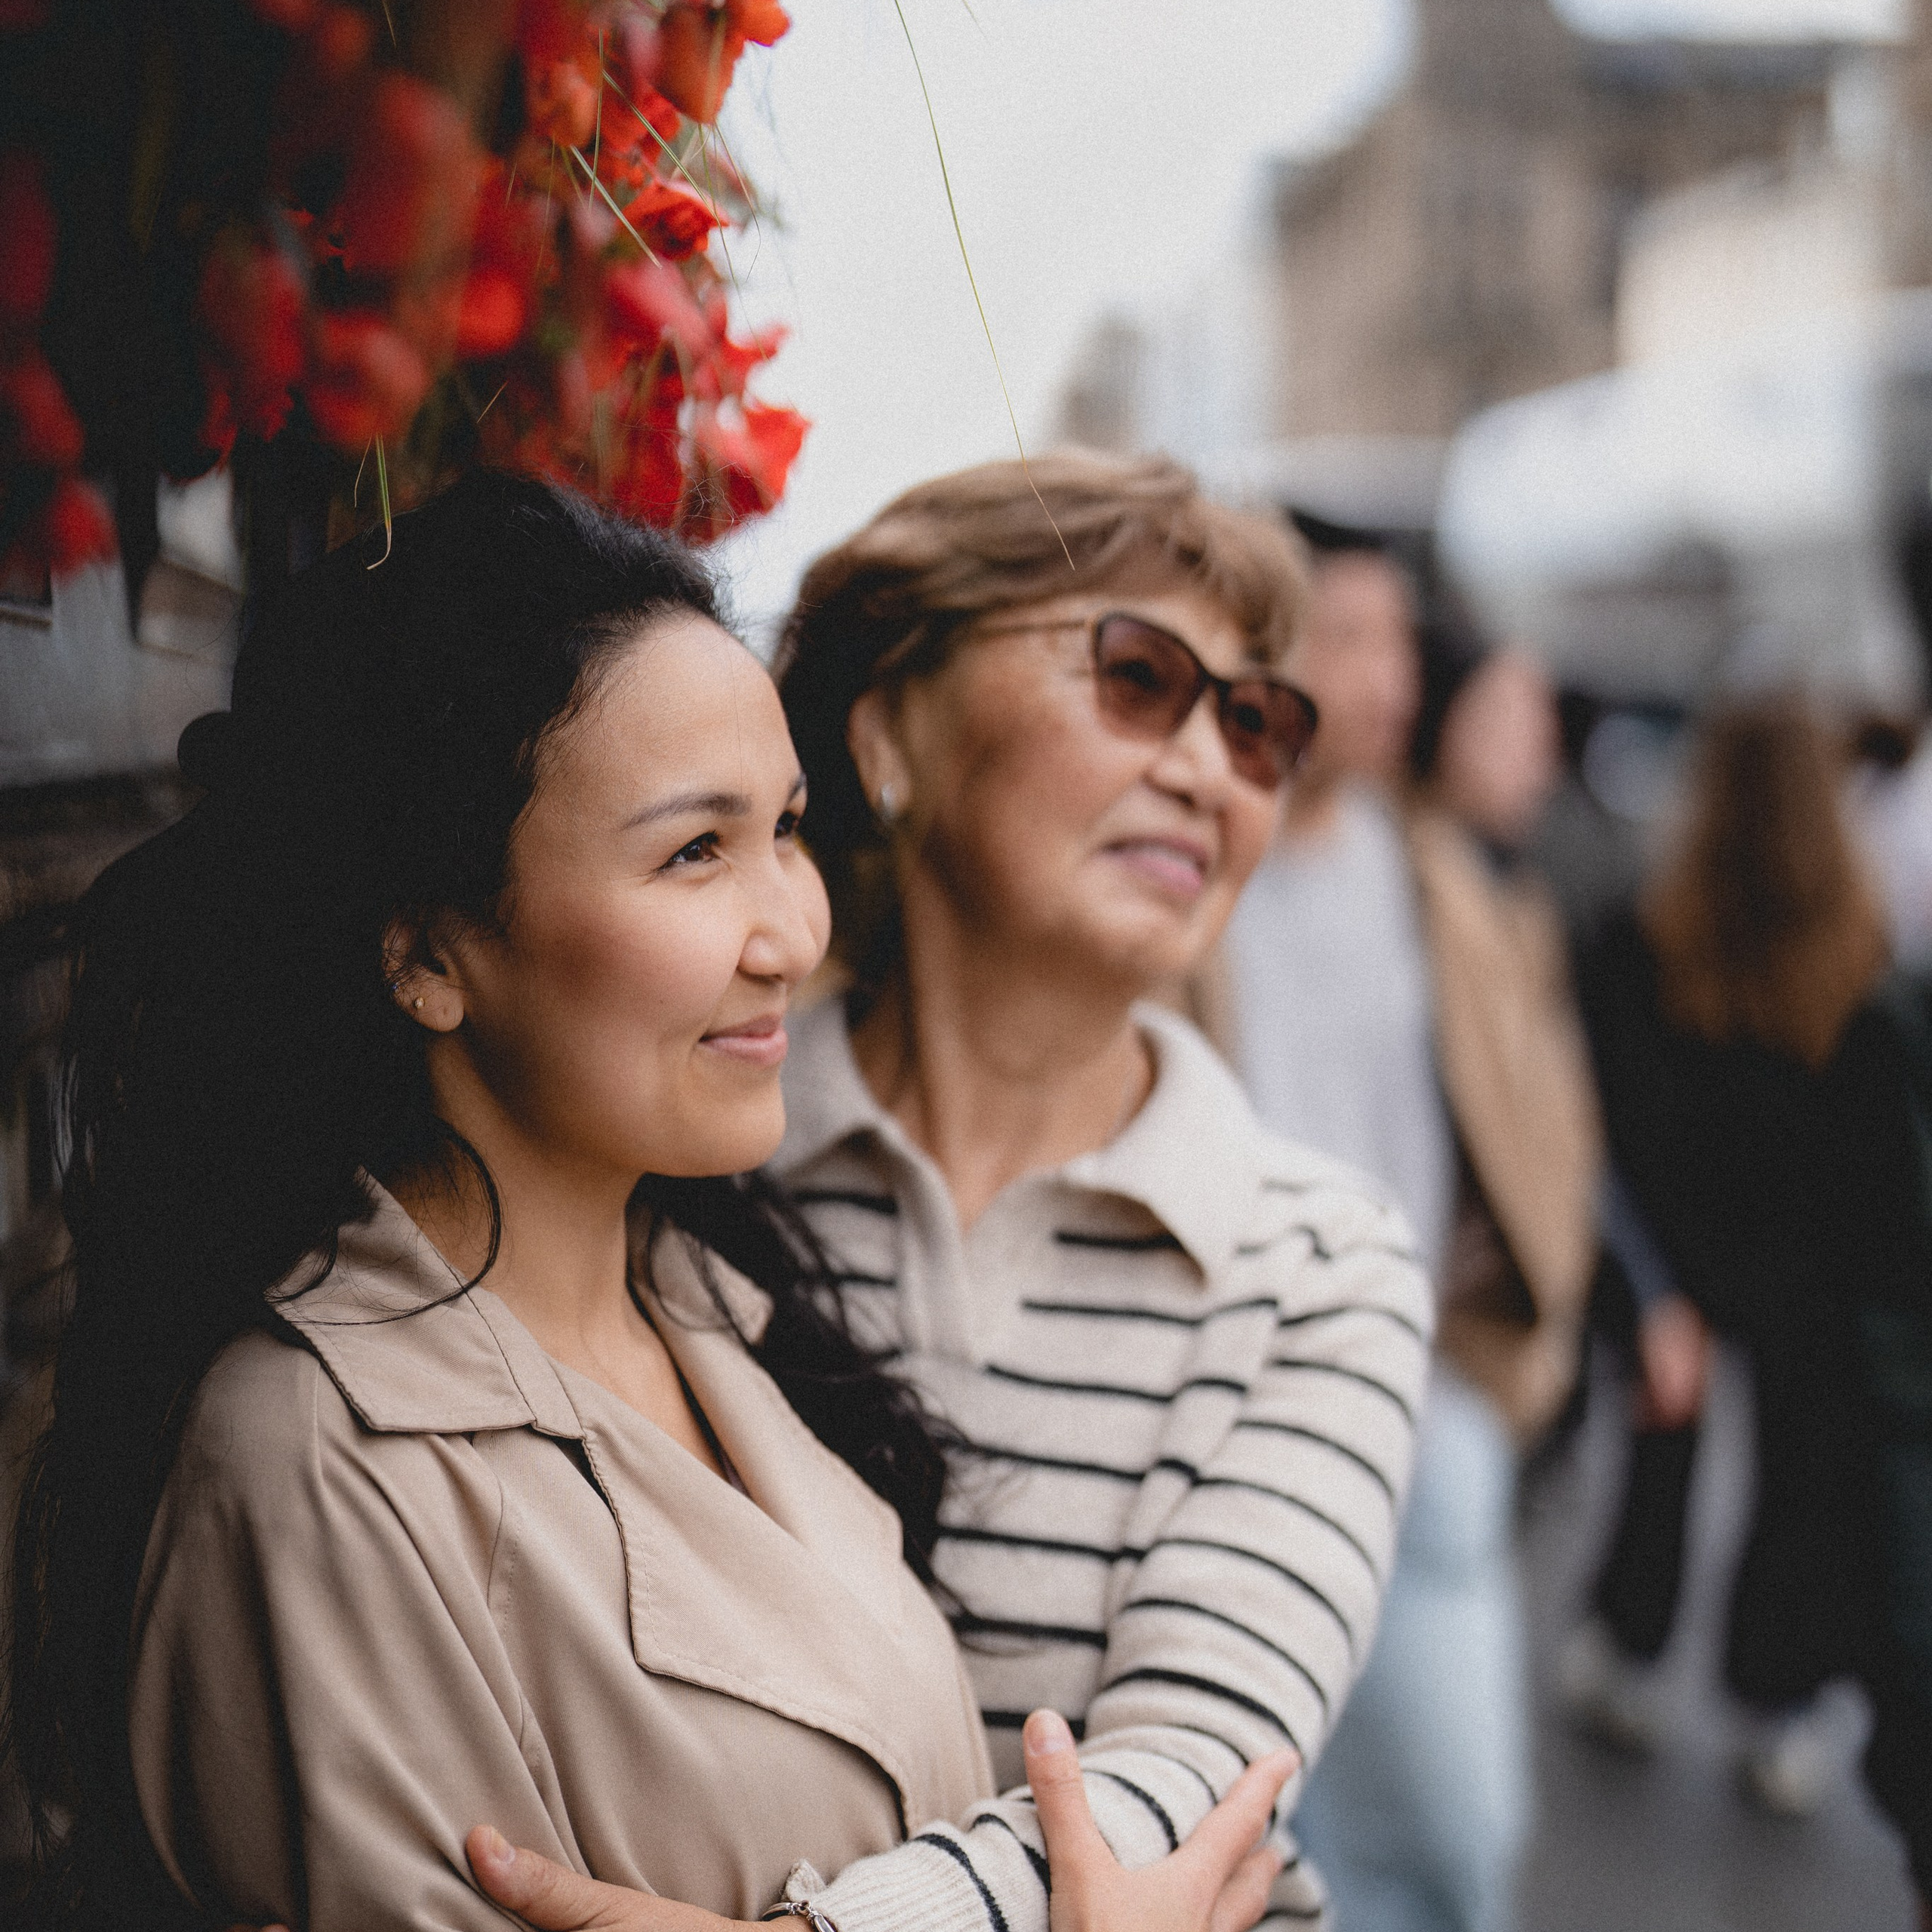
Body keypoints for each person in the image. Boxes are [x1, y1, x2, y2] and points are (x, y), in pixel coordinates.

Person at [8, 471, 1292, 1932]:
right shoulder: (311, 1460)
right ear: (430, 951)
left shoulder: (701, 1297)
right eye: (693, 850)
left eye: (788, 829)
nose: (790, 931)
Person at [467, 451, 1434, 1932]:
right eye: (1134, 676)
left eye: (1256, 721)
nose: (1204, 766)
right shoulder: (681, 1171)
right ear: (887, 734)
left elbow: (1189, 1783)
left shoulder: (1317, 1262)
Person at [1218, 536, 1599, 1932]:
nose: (1382, 676)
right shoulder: (1196, 866)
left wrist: (1529, 1277)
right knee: (1261, 1837)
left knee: (1459, 1839)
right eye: (1343, 636)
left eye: (1396, 642)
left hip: (1426, 1401)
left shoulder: (1437, 873)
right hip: (1235, 1419)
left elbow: (1543, 1103)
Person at [1560, 695, 1902, 1820]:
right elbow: (1868, 1150)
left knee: (1665, 1451)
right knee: (1804, 1477)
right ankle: (1778, 1696)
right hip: (1810, 1268)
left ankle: (1629, 1642)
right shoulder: (1861, 952)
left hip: (1687, 1256)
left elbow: (1614, 1122)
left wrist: (1659, 1291)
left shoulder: (1642, 933)